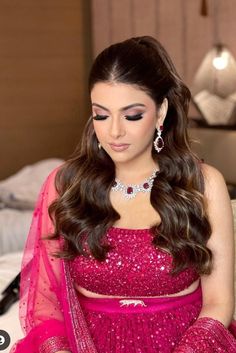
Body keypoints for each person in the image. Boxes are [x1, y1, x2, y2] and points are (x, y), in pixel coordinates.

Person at [11, 36, 236, 353]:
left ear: (160, 113)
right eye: (101, 115)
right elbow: (45, 301)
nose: (114, 131)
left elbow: (219, 302)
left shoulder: (202, 185)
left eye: (132, 115)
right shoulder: (66, 186)